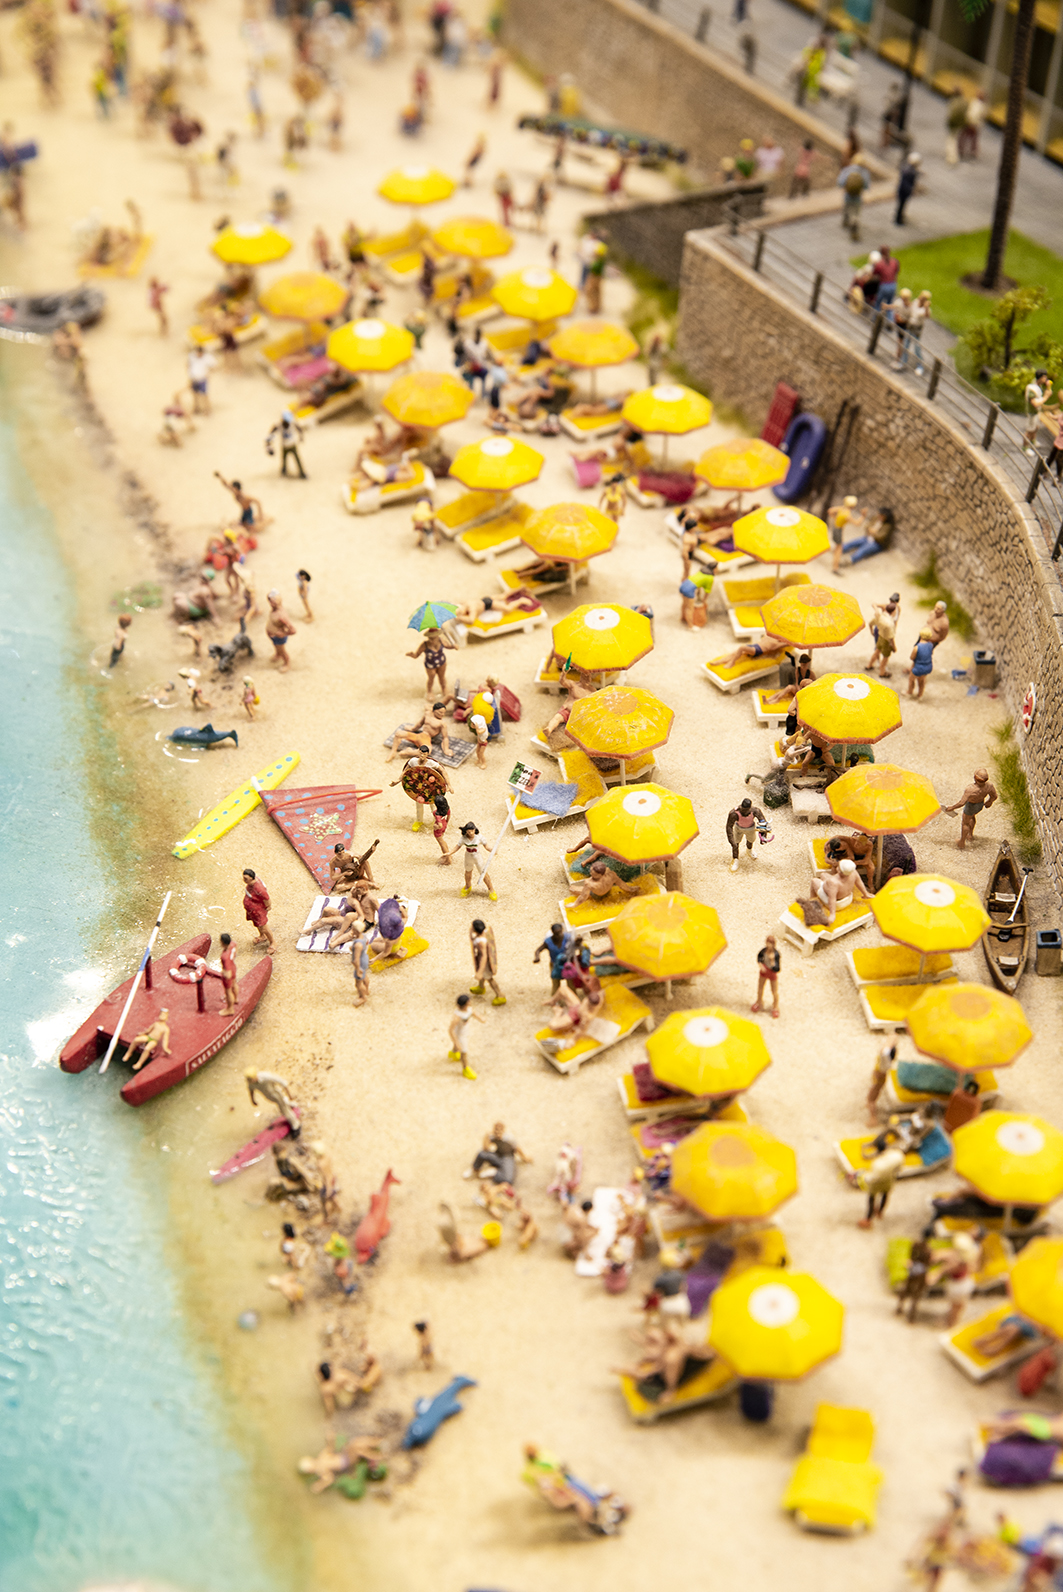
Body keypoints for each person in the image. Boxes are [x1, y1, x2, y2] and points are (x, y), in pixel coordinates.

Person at [849, 1131, 905, 1227]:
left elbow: (871, 1178)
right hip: (889, 1179)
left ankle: (868, 1219)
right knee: (885, 1194)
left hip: (877, 1182)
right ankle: (880, 1211)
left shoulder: (877, 1164)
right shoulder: (897, 1155)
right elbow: (899, 1168)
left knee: (871, 1198)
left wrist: (859, 1176)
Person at [943, 768, 998, 850]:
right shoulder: (989, 786)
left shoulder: (971, 789)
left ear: (975, 778)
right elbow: (994, 796)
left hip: (971, 806)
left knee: (965, 823)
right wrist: (989, 802)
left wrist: (952, 807)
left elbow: (962, 802)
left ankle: (962, 842)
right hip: (980, 805)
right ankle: (970, 835)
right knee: (972, 817)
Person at [446, 821, 497, 900]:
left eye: (472, 831)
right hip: (468, 856)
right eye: (469, 831)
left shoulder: (479, 837)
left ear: (474, 830)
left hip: (477, 856)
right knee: (468, 872)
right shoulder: (464, 838)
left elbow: (486, 846)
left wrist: (492, 850)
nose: (470, 833)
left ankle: (491, 889)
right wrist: (450, 853)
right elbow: (457, 846)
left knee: (483, 873)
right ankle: (468, 886)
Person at [448, 993, 483, 1080]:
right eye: (468, 1002)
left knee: (459, 1047)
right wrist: (456, 1042)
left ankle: (453, 1052)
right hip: (460, 1035)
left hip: (464, 1031)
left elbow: (473, 1013)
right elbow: (451, 1030)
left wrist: (480, 1018)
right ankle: (465, 1068)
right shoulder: (457, 1016)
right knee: (464, 1052)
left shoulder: (468, 1010)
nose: (470, 1003)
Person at [726, 796, 766, 873]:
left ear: (750, 808)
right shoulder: (734, 813)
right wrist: (731, 840)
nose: (744, 812)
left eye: (746, 810)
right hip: (738, 829)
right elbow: (729, 827)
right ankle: (735, 858)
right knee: (735, 844)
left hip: (750, 828)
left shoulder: (755, 811)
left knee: (750, 840)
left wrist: (763, 836)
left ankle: (749, 850)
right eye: (743, 810)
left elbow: (763, 822)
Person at [470, 920, 505, 1004]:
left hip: (484, 963)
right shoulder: (485, 933)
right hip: (481, 958)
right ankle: (481, 987)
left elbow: (484, 956)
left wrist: (480, 971)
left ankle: (500, 995)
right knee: (484, 976)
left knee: (489, 978)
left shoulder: (481, 942)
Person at [265, 410, 307, 478]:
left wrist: (301, 436)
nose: (287, 423)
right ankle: (284, 470)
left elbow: (299, 428)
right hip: (284, 446)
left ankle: (302, 472)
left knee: (297, 459)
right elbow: (270, 436)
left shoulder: (292, 423)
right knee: (284, 459)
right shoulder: (278, 425)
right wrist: (269, 446)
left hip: (292, 445)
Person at [837, 155, 869, 241]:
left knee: (847, 207)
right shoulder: (864, 172)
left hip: (847, 194)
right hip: (857, 196)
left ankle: (846, 221)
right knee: (855, 212)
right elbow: (866, 186)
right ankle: (854, 226)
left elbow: (840, 182)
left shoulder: (847, 169)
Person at [827, 494, 860, 575]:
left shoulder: (841, 508)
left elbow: (830, 510)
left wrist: (834, 518)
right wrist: (863, 516)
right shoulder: (847, 514)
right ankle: (835, 567)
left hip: (835, 528)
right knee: (839, 549)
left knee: (837, 547)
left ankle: (835, 565)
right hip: (838, 530)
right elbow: (857, 523)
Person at [534, 923, 572, 993]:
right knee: (555, 983)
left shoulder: (567, 938)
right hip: (554, 964)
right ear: (553, 932)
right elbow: (538, 950)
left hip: (566, 963)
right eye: (556, 933)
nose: (558, 935)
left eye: (560, 932)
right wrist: (537, 957)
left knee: (570, 982)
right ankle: (556, 1000)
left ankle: (573, 998)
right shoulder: (548, 942)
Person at [265, 589, 297, 673]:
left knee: (283, 651)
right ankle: (277, 654)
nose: (270, 603)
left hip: (278, 637)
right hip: (273, 636)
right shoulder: (274, 609)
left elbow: (293, 630)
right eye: (269, 601)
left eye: (272, 601)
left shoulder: (282, 615)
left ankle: (287, 663)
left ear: (277, 602)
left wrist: (283, 634)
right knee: (276, 647)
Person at [242, 868, 274, 950]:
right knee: (257, 925)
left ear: (252, 878)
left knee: (264, 927)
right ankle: (262, 936)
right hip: (252, 911)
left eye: (246, 878)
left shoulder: (259, 889)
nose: (244, 880)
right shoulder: (251, 884)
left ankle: (273, 942)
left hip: (258, 911)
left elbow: (266, 898)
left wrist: (267, 907)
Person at [867, 1040, 897, 1124]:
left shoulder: (885, 1063)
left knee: (871, 1100)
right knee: (872, 1096)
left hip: (878, 1082)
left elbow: (883, 1051)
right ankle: (871, 1106)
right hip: (877, 1080)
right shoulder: (886, 1061)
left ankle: (873, 1118)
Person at [1024, 369, 1053, 454]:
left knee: (1036, 427)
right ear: (1040, 378)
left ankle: (1033, 441)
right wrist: (1046, 397)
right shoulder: (1032, 388)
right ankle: (1025, 447)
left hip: (1037, 412)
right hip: (1032, 412)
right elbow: (1035, 403)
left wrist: (1048, 388)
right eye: (1044, 377)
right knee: (1029, 430)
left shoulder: (1039, 386)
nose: (1046, 379)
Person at [751, 934, 780, 1017]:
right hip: (764, 972)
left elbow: (777, 968)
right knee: (760, 988)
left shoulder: (776, 954)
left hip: (772, 973)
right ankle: (759, 1002)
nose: (768, 945)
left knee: (774, 991)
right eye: (767, 943)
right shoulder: (763, 951)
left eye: (770, 943)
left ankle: (775, 1006)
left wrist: (772, 963)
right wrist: (761, 966)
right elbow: (759, 959)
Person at [867, 598, 897, 675]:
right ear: (893, 612)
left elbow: (870, 623)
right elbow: (891, 638)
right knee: (885, 657)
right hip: (886, 641)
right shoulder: (890, 623)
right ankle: (882, 672)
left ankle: (869, 665)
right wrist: (894, 647)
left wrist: (872, 631)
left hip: (880, 637)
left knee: (877, 651)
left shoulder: (879, 617)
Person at [906, 627, 934, 699]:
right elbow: (931, 653)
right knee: (921, 681)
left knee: (911, 679)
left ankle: (910, 691)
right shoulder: (931, 645)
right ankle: (920, 694)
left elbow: (912, 657)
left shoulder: (917, 647)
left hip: (918, 668)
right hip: (928, 667)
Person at [187, 347, 216, 415]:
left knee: (204, 395)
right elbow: (188, 365)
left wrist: (208, 374)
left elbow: (214, 366)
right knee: (195, 394)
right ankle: (196, 408)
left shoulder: (207, 358)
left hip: (202, 379)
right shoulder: (192, 356)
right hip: (194, 378)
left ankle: (207, 409)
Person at [894, 151, 921, 225]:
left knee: (902, 204)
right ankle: (898, 219)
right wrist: (910, 189)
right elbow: (906, 183)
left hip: (902, 190)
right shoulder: (910, 172)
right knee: (901, 205)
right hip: (904, 191)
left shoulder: (907, 169)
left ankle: (899, 217)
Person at [945, 87, 967, 166]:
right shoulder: (964, 102)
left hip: (953, 124)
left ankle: (952, 158)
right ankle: (953, 157)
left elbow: (951, 115)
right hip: (960, 124)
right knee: (955, 140)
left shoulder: (954, 102)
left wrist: (950, 122)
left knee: (951, 141)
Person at [873, 246, 899, 312]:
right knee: (889, 304)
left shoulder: (879, 264)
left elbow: (875, 273)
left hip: (884, 285)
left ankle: (874, 318)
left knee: (878, 303)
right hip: (893, 285)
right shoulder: (894, 261)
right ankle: (890, 320)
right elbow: (897, 271)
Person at [960, 91, 986, 159]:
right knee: (972, 138)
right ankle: (970, 151)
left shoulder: (974, 103)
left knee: (967, 137)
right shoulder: (980, 105)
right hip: (973, 123)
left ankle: (963, 149)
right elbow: (977, 115)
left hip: (970, 122)